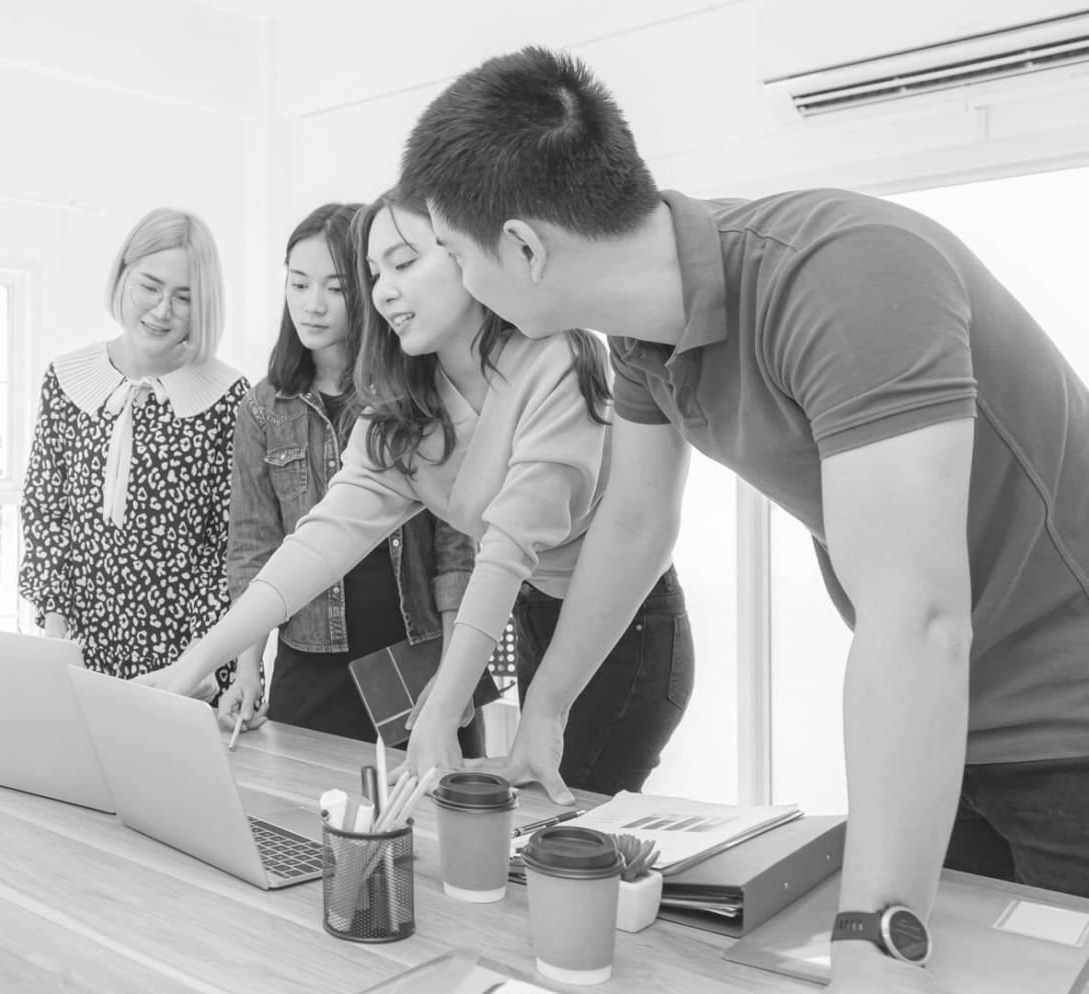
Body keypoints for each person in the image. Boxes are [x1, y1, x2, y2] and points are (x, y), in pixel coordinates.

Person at [398, 46, 1089, 994]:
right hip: (951, 725)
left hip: (1065, 716)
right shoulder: (648, 335)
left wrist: (874, 928)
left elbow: (919, 617)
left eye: (451, 252)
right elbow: (637, 523)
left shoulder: (843, 274)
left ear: (522, 247)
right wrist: (545, 712)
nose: (454, 281)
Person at [141, 189, 694, 796]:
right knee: (534, 842)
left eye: (404, 264)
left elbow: (505, 548)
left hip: (628, 627)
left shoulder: (555, 358)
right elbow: (317, 542)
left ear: (467, 256)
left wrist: (442, 708)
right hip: (538, 613)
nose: (382, 291)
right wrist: (191, 665)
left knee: (568, 837)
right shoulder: (399, 409)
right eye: (375, 273)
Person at [219, 202, 493, 753]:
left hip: (415, 650)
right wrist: (245, 669)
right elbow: (254, 547)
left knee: (433, 818)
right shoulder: (263, 408)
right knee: (304, 825)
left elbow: (456, 545)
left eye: (337, 288)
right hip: (311, 661)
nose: (312, 305)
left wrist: (452, 668)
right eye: (298, 284)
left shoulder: (413, 392)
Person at [18, 207, 247, 693]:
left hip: (189, 655)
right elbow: (46, 510)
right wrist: (56, 632)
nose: (162, 310)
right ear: (122, 273)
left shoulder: (228, 395)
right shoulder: (66, 379)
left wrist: (203, 662)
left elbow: (231, 543)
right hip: (81, 647)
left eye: (184, 297)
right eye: (150, 286)